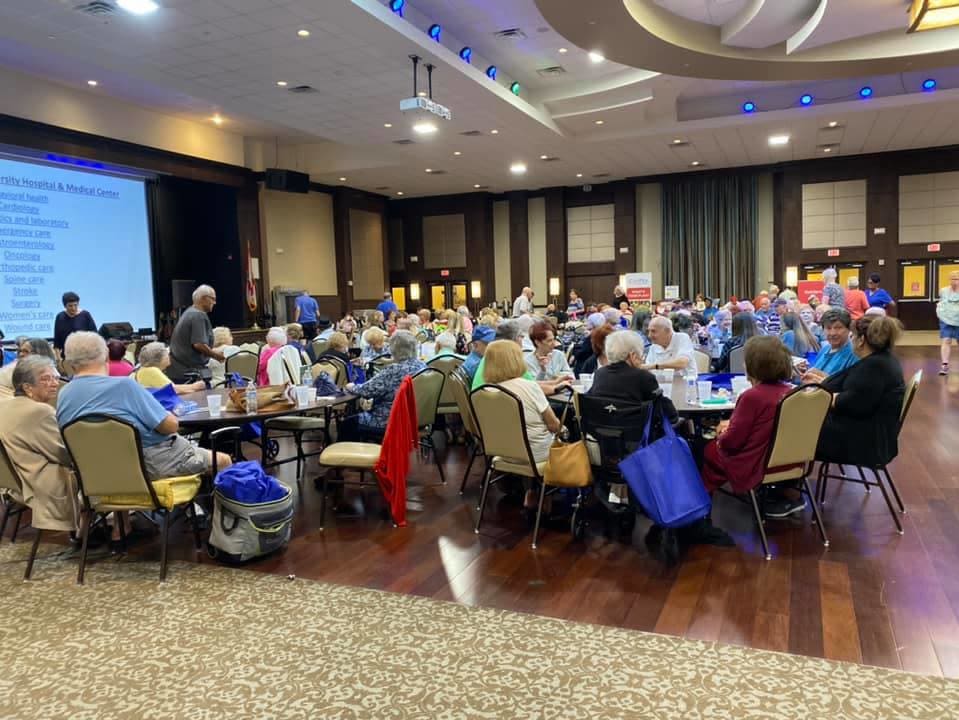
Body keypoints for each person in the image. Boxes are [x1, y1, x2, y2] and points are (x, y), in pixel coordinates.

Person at [57, 332, 231, 481]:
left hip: (96, 475)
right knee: (223, 461)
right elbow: (170, 426)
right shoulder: (124, 386)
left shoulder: (64, 395)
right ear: (105, 356)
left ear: (70, 362)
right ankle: (216, 510)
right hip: (149, 467)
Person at [703, 336, 802, 517]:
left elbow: (731, 443)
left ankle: (700, 508)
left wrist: (722, 433)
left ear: (752, 365)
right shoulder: (793, 392)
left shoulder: (752, 396)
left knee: (702, 448)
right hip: (790, 461)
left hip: (754, 463)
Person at [0, 355, 79, 534]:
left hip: (15, 482)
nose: (54, 383)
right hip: (42, 483)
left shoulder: (4, 406)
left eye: (56, 377)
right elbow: (65, 455)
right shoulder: (39, 412)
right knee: (102, 469)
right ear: (27, 387)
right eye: (46, 379)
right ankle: (112, 530)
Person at [816, 315, 905, 469]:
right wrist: (824, 382)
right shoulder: (884, 360)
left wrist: (821, 395)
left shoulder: (873, 368)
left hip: (864, 443)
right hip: (873, 433)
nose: (851, 340)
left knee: (795, 427)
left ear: (861, 340)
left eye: (852, 336)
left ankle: (789, 480)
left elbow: (849, 403)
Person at [483, 339, 561, 463]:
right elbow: (553, 426)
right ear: (517, 360)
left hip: (502, 453)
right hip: (535, 454)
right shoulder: (529, 387)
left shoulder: (484, 392)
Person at [348, 330, 425, 439]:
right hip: (416, 417)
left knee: (348, 423)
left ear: (394, 349)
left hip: (389, 419)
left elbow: (367, 391)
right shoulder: (423, 366)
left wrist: (352, 387)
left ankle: (352, 450)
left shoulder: (393, 370)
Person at [589, 331, 677, 425]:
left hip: (603, 430)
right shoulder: (644, 377)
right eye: (642, 356)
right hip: (637, 432)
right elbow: (669, 414)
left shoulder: (599, 374)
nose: (642, 360)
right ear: (633, 356)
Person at [167, 284, 222, 384]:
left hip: (177, 371)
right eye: (213, 299)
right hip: (188, 373)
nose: (214, 302)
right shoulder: (198, 315)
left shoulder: (189, 312)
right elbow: (199, 344)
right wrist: (216, 356)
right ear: (203, 298)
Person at [802, 308, 858, 382]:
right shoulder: (825, 349)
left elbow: (850, 386)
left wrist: (824, 379)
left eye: (838, 328)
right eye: (828, 328)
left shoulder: (854, 354)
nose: (832, 333)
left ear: (849, 329)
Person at [133, 342, 206, 395]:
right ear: (159, 358)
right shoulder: (151, 371)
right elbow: (173, 389)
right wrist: (195, 386)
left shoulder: (143, 370)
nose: (169, 356)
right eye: (167, 353)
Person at [937, 271, 959, 375]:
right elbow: (941, 302)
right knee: (946, 340)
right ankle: (944, 365)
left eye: (957, 279)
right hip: (946, 319)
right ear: (950, 280)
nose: (955, 281)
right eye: (953, 279)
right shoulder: (943, 291)